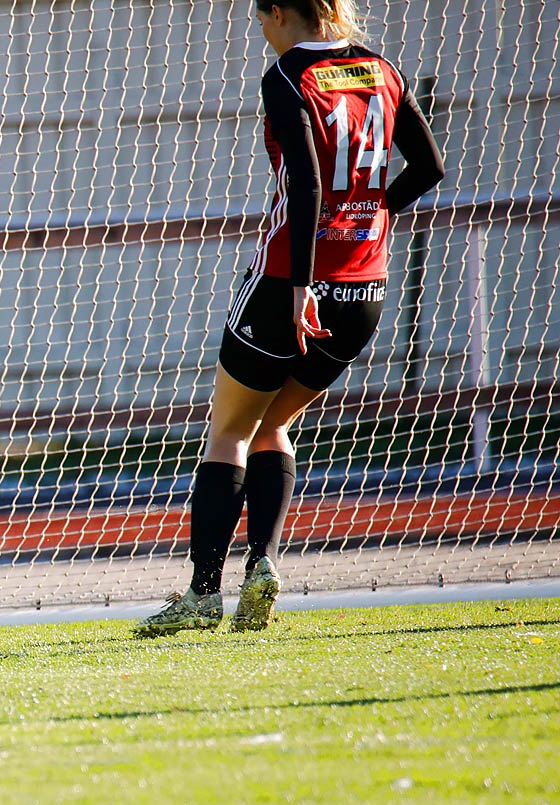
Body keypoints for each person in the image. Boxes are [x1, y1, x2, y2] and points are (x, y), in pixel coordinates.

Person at [135, 0, 443, 637]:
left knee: (229, 431)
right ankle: (264, 564)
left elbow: (303, 186)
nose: (262, 32)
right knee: (277, 420)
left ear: (278, 12)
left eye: (260, 19)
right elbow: (431, 167)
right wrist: (371, 217)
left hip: (286, 284)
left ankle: (200, 597)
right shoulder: (380, 69)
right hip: (364, 287)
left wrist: (302, 285)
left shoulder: (287, 78)